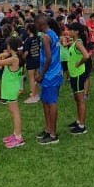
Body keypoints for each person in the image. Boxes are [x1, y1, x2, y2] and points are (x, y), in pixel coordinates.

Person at [0, 38, 26, 148]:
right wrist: (4, 56)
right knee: (12, 112)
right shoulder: (15, 58)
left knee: (15, 113)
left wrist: (0, 55)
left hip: (11, 89)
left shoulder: (13, 59)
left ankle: (19, 137)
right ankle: (15, 133)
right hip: (10, 88)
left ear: (11, 47)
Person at [35, 15, 63, 145]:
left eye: (35, 24)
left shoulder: (46, 37)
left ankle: (53, 134)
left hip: (51, 75)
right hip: (51, 74)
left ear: (40, 24)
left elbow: (48, 58)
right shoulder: (52, 33)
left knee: (51, 103)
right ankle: (48, 129)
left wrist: (41, 74)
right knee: (45, 102)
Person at [63, 22, 90, 135]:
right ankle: (78, 120)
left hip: (79, 74)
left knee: (80, 100)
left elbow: (86, 56)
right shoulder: (74, 42)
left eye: (71, 30)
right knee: (77, 99)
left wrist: (79, 64)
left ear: (76, 31)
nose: (69, 31)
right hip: (74, 75)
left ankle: (82, 126)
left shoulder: (78, 43)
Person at [22, 22, 41, 104]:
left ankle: (33, 95)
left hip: (31, 60)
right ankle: (36, 93)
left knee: (31, 78)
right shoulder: (38, 37)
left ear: (29, 30)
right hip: (37, 58)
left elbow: (26, 52)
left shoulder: (28, 40)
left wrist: (22, 59)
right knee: (36, 77)